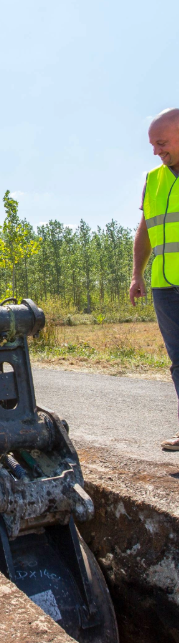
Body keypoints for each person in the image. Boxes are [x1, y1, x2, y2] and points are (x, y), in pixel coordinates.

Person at [130, 108, 179, 450]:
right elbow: (145, 230)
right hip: (166, 288)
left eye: (161, 143)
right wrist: (137, 274)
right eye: (152, 144)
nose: (155, 151)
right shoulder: (153, 178)